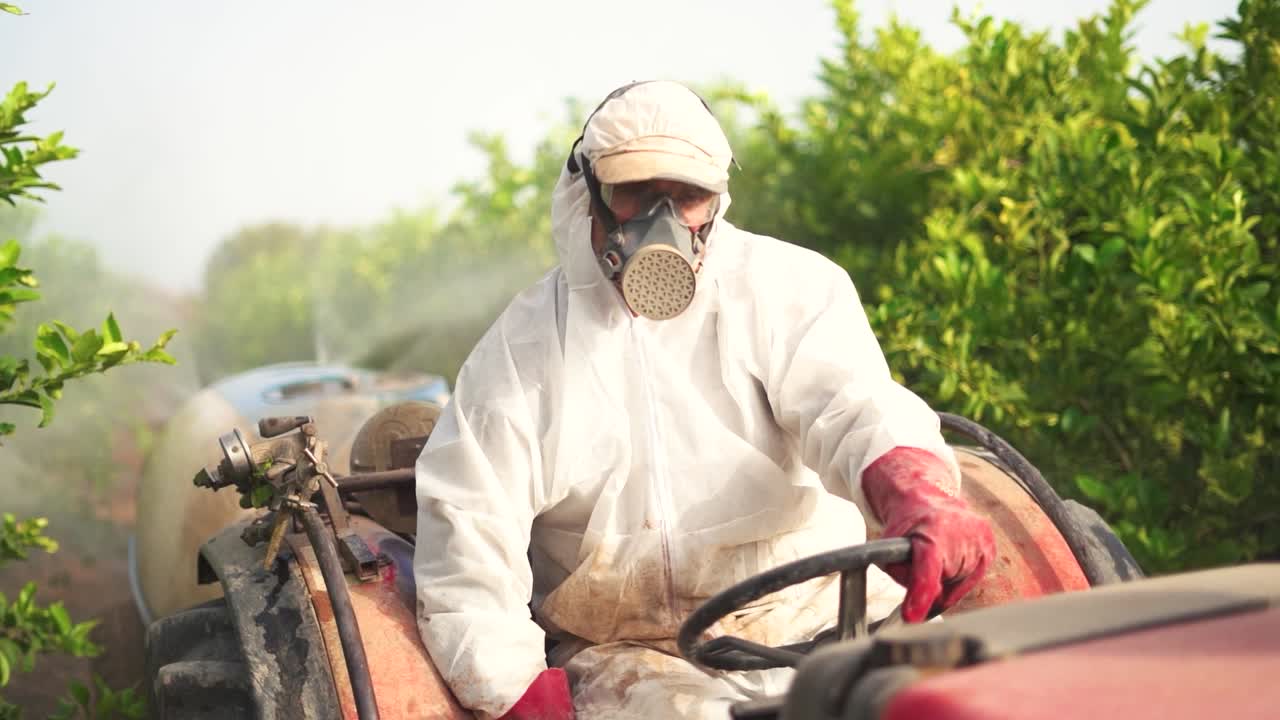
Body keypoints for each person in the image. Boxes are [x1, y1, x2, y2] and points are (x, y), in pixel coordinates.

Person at [413, 80, 995, 720]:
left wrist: (915, 492)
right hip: (634, 657)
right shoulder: (523, 350)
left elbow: (854, 407)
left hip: (827, 614)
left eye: (687, 196)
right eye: (635, 192)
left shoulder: (786, 289)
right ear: (589, 193)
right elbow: (469, 540)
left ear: (715, 202)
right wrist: (516, 692)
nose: (662, 221)